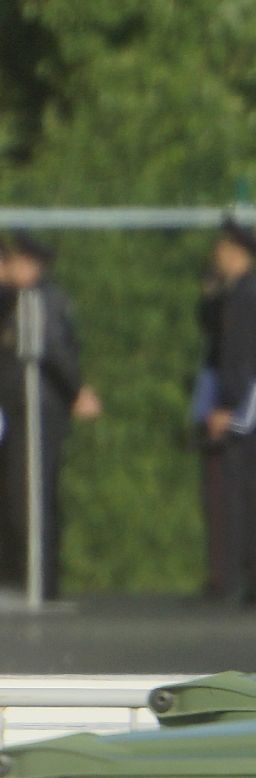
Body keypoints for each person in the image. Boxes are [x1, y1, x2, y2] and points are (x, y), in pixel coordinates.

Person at [0, 231, 101, 600]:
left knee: (32, 495)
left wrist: (76, 392)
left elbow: (55, 351)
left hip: (40, 410)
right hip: (20, 410)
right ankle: (26, 577)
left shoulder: (43, 300)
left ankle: (42, 581)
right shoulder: (17, 299)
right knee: (18, 495)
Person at [195, 215, 256, 605]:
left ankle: (253, 578)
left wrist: (237, 415)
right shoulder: (231, 297)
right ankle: (230, 576)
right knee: (226, 495)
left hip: (241, 412)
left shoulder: (251, 299)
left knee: (243, 496)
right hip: (227, 408)